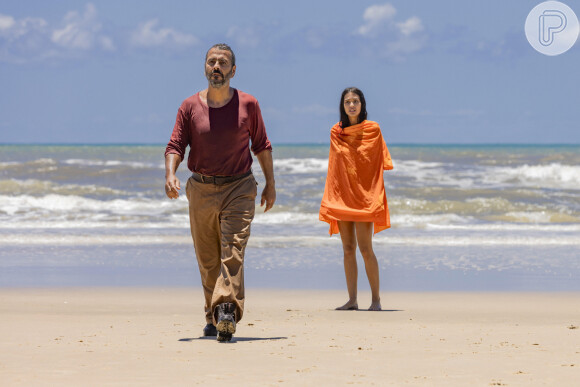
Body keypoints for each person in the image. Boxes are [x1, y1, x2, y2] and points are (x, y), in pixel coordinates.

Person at [164, 43, 276, 342]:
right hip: (201, 188)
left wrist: (270, 184)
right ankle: (213, 316)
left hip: (239, 186)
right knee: (208, 258)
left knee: (233, 250)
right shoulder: (189, 106)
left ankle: (227, 309)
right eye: (212, 62)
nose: (217, 67)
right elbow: (175, 145)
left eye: (223, 63)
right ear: (205, 67)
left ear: (233, 70)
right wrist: (171, 174)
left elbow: (262, 145)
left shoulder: (248, 104)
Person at [319, 87, 393, 311]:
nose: (352, 105)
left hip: (364, 198)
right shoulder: (336, 131)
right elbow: (335, 167)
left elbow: (376, 162)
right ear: (342, 106)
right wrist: (333, 195)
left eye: (356, 101)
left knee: (365, 249)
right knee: (348, 249)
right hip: (342, 197)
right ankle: (352, 300)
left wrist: (375, 194)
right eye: (348, 102)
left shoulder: (373, 129)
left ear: (363, 105)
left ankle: (376, 300)